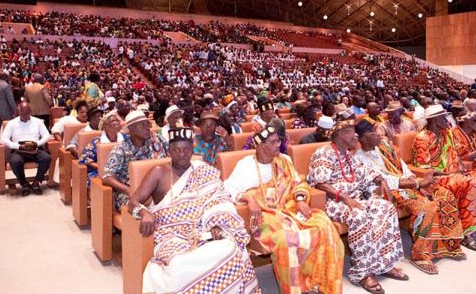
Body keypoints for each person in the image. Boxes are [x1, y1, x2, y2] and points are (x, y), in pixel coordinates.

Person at [129, 127, 260, 294]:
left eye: (186, 149)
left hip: (201, 231)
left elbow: (218, 199)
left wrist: (216, 224)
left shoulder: (202, 171)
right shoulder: (158, 172)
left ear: (193, 150)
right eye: (176, 150)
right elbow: (132, 201)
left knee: (230, 248)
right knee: (180, 266)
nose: (181, 154)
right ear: (169, 151)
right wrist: (143, 212)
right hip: (169, 234)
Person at [225, 127, 344, 293]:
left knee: (323, 226)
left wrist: (301, 199)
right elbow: (227, 189)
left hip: (289, 208)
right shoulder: (245, 165)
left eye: (278, 141)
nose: (278, 145)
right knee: (286, 238)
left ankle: (316, 282)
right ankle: (295, 288)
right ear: (259, 146)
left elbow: (298, 183)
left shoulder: (284, 160)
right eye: (273, 142)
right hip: (265, 216)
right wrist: (249, 198)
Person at [307, 120, 407, 294]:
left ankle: (384, 263)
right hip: (333, 202)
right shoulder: (323, 153)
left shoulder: (347, 154)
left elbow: (364, 171)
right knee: (359, 215)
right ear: (340, 134)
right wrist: (344, 197)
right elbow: (319, 183)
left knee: (386, 208)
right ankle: (362, 272)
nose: (355, 135)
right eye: (351, 132)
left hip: (355, 198)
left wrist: (380, 179)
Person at [354, 119, 465, 275]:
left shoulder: (384, 147)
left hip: (408, 184)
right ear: (363, 138)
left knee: (445, 195)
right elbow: (384, 181)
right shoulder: (359, 158)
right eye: (373, 132)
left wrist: (415, 181)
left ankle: (448, 244)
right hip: (390, 191)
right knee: (426, 207)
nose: (379, 134)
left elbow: (402, 167)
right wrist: (416, 186)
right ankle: (420, 255)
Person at [413, 105, 476, 252]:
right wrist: (451, 174)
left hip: (454, 172)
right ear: (434, 120)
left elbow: (454, 155)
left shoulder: (446, 132)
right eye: (443, 117)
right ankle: (466, 233)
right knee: (470, 183)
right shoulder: (422, 138)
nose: (447, 120)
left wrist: (460, 168)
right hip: (436, 178)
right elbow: (424, 168)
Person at [102, 110, 169, 211]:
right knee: (144, 210)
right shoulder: (121, 149)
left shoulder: (158, 140)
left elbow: (172, 159)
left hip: (158, 189)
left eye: (147, 124)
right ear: (131, 128)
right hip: (130, 192)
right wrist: (128, 190)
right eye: (142, 125)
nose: (148, 128)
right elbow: (107, 177)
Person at [0, 102, 52, 196]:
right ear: (18, 112)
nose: (25, 116)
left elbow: (46, 135)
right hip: (19, 150)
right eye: (22, 114)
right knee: (15, 161)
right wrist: (18, 146)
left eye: (27, 113)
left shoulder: (38, 122)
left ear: (30, 111)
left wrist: (37, 143)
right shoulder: (12, 123)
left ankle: (36, 182)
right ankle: (24, 184)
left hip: (35, 149)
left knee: (46, 158)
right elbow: (3, 139)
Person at [79, 110, 125, 187]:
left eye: (118, 120)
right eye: (113, 121)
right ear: (105, 126)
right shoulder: (97, 141)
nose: (117, 122)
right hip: (101, 171)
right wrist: (101, 167)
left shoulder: (126, 139)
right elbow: (84, 158)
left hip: (123, 170)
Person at [0, 72, 17, 146]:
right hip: (6, 110)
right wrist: (15, 109)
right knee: (7, 127)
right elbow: (10, 99)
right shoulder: (6, 86)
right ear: (6, 77)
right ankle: (6, 142)